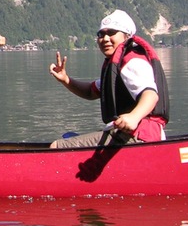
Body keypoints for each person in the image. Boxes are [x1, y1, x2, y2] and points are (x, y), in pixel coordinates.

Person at [48, 10, 169, 149]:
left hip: (141, 135)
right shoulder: (117, 65)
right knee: (69, 140)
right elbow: (90, 92)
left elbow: (151, 95)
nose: (105, 38)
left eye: (111, 33)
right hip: (128, 134)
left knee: (57, 147)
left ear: (127, 36)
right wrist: (65, 79)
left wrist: (134, 117)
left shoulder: (132, 61)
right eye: (101, 34)